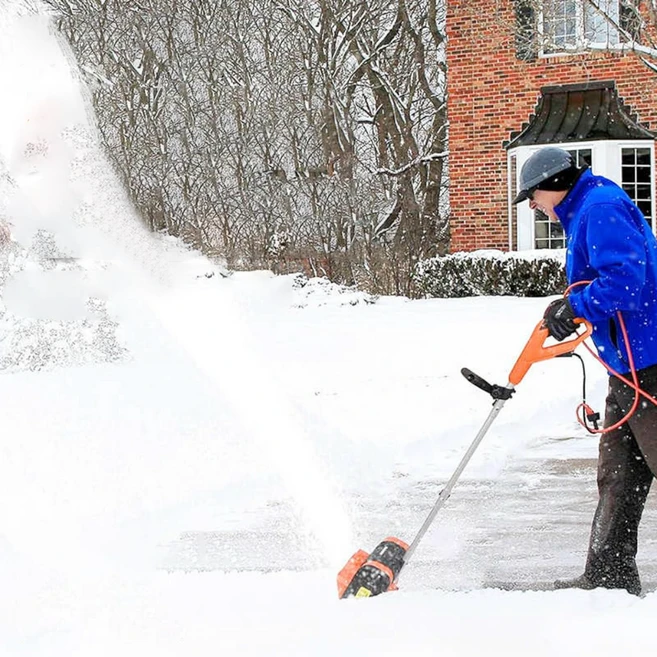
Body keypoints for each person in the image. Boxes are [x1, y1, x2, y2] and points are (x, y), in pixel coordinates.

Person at [513, 146, 657, 596]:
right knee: (619, 473)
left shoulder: (599, 209)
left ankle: (608, 577)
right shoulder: (586, 210)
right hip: (625, 365)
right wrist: (571, 307)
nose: (533, 205)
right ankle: (608, 578)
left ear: (552, 184)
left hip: (649, 363)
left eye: (532, 196)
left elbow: (625, 283)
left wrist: (576, 304)